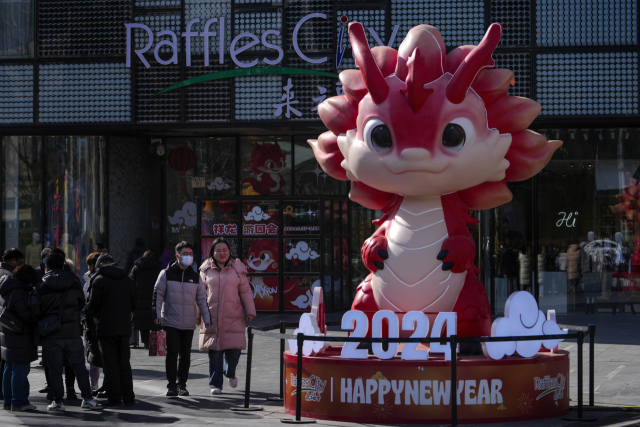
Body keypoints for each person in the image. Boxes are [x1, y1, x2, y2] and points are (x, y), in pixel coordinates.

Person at [34, 249, 102, 412]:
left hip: (52, 334)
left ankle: (58, 401)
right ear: (63, 265)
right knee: (79, 367)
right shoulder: (74, 281)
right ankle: (87, 398)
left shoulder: (42, 285)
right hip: (72, 331)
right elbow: (81, 303)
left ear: (47, 267)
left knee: (55, 370)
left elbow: (36, 309)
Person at [198, 238, 256, 395]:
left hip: (234, 316)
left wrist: (250, 311)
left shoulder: (237, 268)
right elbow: (200, 294)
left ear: (229, 251)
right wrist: (198, 315)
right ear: (212, 253)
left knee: (234, 351)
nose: (221, 253)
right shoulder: (205, 269)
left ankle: (230, 372)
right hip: (212, 317)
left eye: (224, 250)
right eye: (218, 250)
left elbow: (245, 290)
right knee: (214, 351)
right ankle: (215, 384)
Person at [153, 241, 211, 397]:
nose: (189, 257)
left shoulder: (196, 276)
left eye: (191, 254)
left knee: (185, 354)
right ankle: (171, 385)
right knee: (172, 353)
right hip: (170, 320)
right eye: (185, 254)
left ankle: (182, 384)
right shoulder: (166, 274)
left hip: (188, 322)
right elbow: (157, 295)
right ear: (177, 256)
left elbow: (202, 299)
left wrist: (206, 317)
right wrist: (157, 314)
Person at [85, 254, 137, 407]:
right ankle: (128, 397)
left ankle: (114, 398)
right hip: (124, 327)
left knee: (110, 364)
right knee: (124, 363)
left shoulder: (99, 280)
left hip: (105, 328)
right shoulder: (128, 280)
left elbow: (92, 306)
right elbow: (134, 305)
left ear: (99, 264)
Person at [0, 265, 39, 411]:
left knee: (9, 368)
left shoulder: (5, 288)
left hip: (7, 333)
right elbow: (26, 315)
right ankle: (19, 401)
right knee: (20, 369)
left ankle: (8, 401)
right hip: (20, 335)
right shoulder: (19, 291)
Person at [0, 248, 24, 401]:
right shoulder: (9, 276)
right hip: (6, 322)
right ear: (14, 261)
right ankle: (5, 392)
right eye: (19, 261)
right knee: (6, 360)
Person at [130, 250, 161, 350]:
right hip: (154, 298)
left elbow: (131, 282)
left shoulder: (137, 268)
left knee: (143, 322)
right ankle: (155, 345)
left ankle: (146, 343)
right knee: (155, 321)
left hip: (140, 299)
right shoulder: (158, 267)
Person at [82, 252, 103, 394]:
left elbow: (87, 301)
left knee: (93, 354)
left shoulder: (92, 280)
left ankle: (94, 384)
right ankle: (99, 384)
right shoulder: (91, 278)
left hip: (93, 321)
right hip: (104, 321)